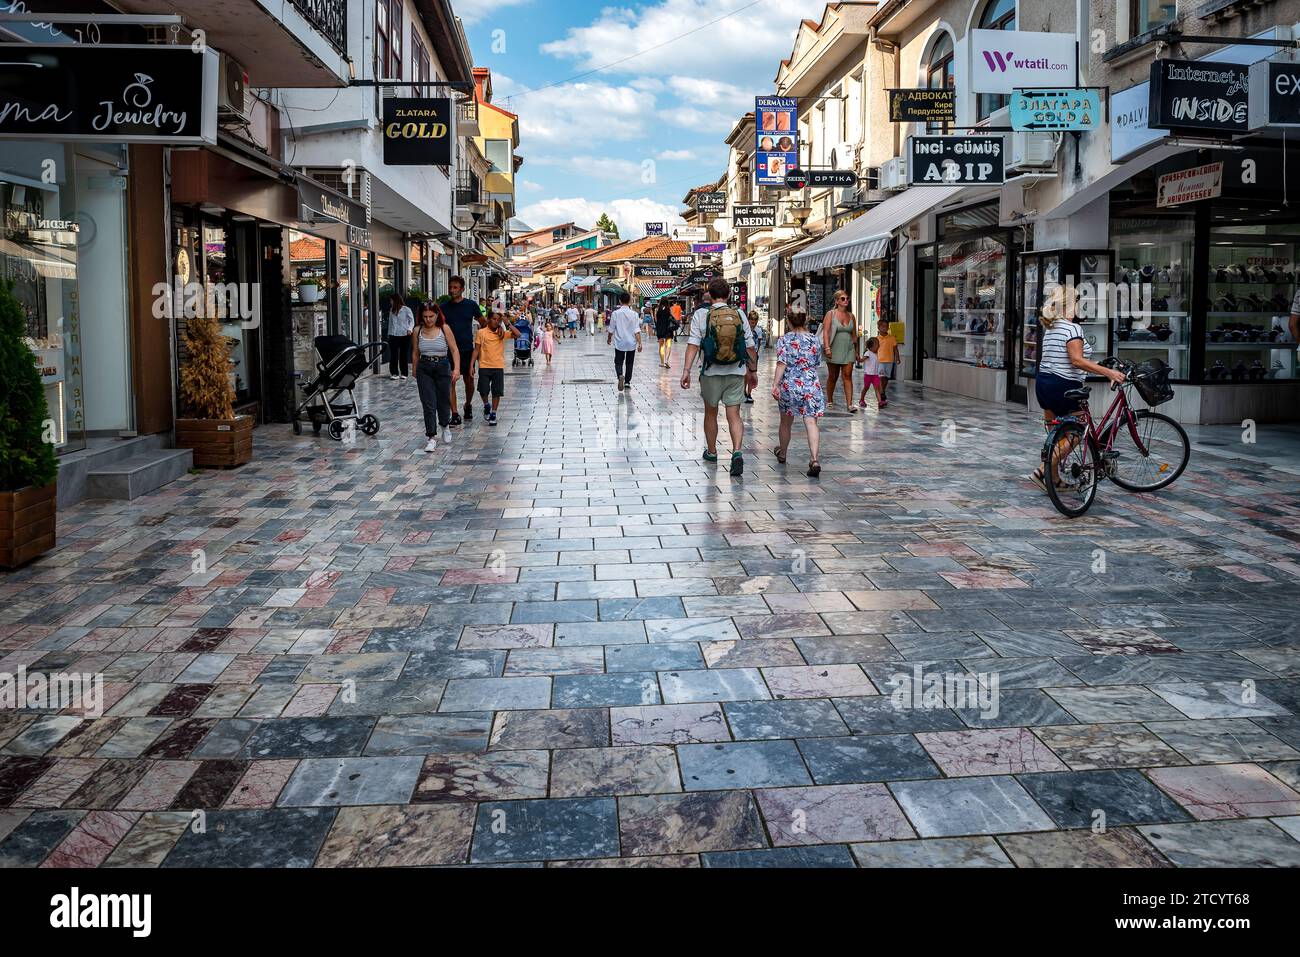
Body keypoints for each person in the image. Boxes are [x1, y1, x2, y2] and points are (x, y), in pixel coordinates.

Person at [1032, 285, 1126, 490]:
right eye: (1076, 303)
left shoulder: (1051, 327)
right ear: (1068, 305)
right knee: (1079, 430)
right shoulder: (1072, 328)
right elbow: (1077, 361)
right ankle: (1042, 469)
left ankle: (1052, 478)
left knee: (1056, 434)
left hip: (1043, 384)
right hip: (1063, 386)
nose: (1078, 307)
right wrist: (1110, 373)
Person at [680, 277, 759, 477]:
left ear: (709, 295)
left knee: (711, 413)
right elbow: (750, 346)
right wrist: (753, 371)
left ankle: (712, 451)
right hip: (736, 372)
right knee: (734, 415)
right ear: (729, 294)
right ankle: (737, 452)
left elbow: (693, 344)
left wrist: (686, 370)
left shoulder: (701, 315)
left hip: (710, 372)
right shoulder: (740, 314)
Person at [772, 310, 825, 478]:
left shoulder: (784, 340)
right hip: (810, 384)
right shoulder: (815, 339)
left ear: (788, 321)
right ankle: (814, 459)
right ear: (805, 320)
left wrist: (775, 384)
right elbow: (817, 362)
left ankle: (783, 453)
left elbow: (782, 363)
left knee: (786, 422)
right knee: (811, 422)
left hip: (790, 385)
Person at [411, 301, 459, 452]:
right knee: (428, 403)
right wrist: (414, 368)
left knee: (444, 400)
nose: (428, 320)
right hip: (424, 367)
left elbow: (454, 350)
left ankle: (445, 424)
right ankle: (431, 437)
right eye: (425, 316)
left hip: (442, 366)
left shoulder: (444, 329)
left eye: (431, 316)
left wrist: (456, 369)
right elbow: (415, 352)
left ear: (437, 314)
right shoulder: (417, 330)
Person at [441, 276, 484, 426]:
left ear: (462, 289)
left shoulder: (471, 305)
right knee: (450, 381)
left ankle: (468, 404)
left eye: (455, 287)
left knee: (469, 380)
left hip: (466, 349)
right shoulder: (443, 307)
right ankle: (454, 413)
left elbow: (483, 322)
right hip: (448, 350)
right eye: (451, 287)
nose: (452, 290)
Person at [472, 309, 519, 427]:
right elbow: (476, 349)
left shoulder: (501, 333)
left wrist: (507, 323)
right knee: (483, 390)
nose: (496, 321)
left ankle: (493, 413)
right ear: (488, 319)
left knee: (496, 391)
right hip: (484, 366)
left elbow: (518, 334)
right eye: (493, 319)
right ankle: (486, 405)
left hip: (498, 366)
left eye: (498, 320)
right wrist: (471, 365)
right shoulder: (481, 333)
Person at [822, 290, 858, 414]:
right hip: (834, 348)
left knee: (847, 375)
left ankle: (850, 404)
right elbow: (826, 332)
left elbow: (854, 336)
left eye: (847, 298)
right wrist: (827, 348)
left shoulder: (851, 315)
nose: (846, 300)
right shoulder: (830, 314)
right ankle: (830, 400)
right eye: (843, 299)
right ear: (837, 301)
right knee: (833, 375)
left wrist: (857, 352)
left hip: (848, 348)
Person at [608, 291, 643, 393]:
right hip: (631, 342)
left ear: (620, 301)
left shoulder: (615, 313)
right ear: (630, 301)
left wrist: (609, 338)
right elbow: (637, 330)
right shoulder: (634, 314)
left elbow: (611, 328)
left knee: (618, 362)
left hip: (620, 342)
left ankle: (620, 376)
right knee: (629, 362)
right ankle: (627, 382)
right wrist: (640, 343)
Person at [387, 292, 416, 381]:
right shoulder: (391, 310)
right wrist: (389, 334)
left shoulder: (407, 309)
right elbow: (390, 324)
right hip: (393, 335)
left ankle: (404, 373)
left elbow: (412, 320)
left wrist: (410, 329)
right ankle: (394, 373)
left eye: (391, 300)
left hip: (405, 335)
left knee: (403, 355)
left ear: (395, 300)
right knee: (393, 355)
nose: (390, 302)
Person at [875, 318, 899, 406]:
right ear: (879, 327)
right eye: (883, 326)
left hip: (889, 360)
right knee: (881, 376)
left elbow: (895, 349)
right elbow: (874, 350)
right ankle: (881, 393)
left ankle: (883, 391)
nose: (885, 328)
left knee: (886, 378)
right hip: (880, 361)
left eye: (886, 326)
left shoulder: (892, 338)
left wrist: (897, 358)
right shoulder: (876, 339)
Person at [857, 337, 885, 410]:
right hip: (868, 375)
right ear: (871, 346)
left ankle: (879, 401)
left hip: (875, 375)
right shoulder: (868, 353)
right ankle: (861, 400)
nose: (878, 346)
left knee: (877, 388)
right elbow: (864, 359)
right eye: (877, 344)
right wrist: (860, 360)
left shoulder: (876, 354)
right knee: (866, 388)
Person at [655, 300, 677, 368]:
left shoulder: (657, 309)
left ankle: (662, 362)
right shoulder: (669, 310)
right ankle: (666, 360)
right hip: (668, 330)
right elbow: (673, 319)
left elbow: (656, 320)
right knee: (668, 345)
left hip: (660, 329)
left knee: (661, 346)